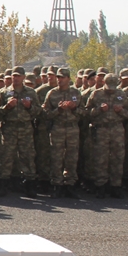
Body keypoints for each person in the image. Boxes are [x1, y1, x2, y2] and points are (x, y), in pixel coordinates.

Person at [44, 67, 84, 198]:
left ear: (68, 78)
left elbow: (84, 113)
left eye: (62, 77)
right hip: (58, 128)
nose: (60, 80)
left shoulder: (76, 93)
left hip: (72, 128)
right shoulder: (52, 93)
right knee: (56, 157)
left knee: (72, 157)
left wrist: (74, 108)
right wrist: (59, 110)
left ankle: (70, 184)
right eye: (58, 77)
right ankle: (57, 184)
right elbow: (46, 114)